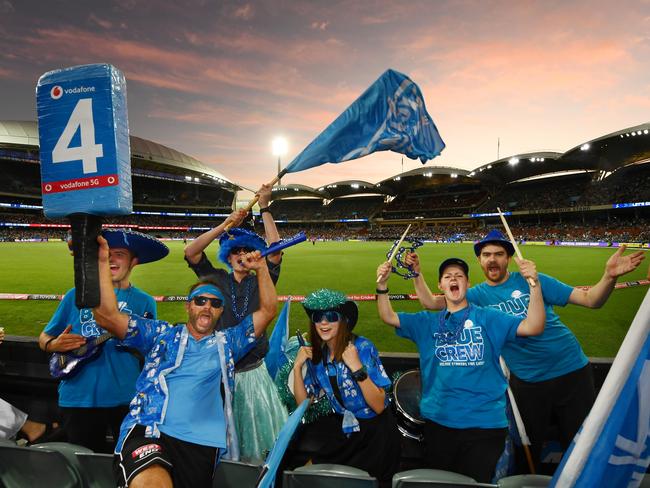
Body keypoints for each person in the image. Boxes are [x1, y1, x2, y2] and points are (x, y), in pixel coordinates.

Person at [407, 229, 645, 470]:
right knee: (527, 450)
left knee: (582, 444)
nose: (492, 259)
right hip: (528, 382)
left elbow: (592, 300)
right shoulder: (476, 296)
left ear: (508, 258)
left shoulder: (533, 280)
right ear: (479, 260)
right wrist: (416, 274)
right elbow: (431, 303)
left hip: (572, 371)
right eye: (486, 254)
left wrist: (609, 276)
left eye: (499, 253)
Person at [92, 235, 277, 488]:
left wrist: (263, 268)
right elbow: (106, 316)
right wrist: (101, 263)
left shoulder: (229, 343)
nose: (207, 307)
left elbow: (267, 311)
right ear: (188, 307)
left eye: (215, 303)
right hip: (151, 428)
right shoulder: (161, 335)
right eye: (200, 300)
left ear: (221, 311)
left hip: (203, 442)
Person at [376, 256, 545, 483]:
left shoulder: (488, 317)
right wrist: (382, 286)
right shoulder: (427, 322)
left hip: (484, 425)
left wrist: (534, 284)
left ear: (467, 284)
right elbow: (388, 316)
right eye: (448, 277)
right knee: (442, 484)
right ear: (441, 286)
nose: (453, 279)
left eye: (459, 276)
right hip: (439, 423)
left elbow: (534, 326)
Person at [38, 229, 168, 453]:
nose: (111, 258)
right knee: (83, 466)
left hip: (126, 397)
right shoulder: (75, 295)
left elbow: (149, 352)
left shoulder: (145, 302)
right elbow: (45, 336)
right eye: (107, 253)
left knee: (126, 462)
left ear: (134, 261)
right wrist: (53, 344)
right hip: (78, 398)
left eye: (119, 253)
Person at [183, 182, 287, 462]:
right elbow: (191, 253)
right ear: (227, 257)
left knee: (257, 446)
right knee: (218, 444)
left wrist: (265, 206)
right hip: (217, 373)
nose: (241, 256)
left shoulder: (264, 279)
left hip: (253, 374)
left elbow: (276, 251)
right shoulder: (215, 279)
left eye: (246, 250)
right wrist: (225, 225)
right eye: (235, 251)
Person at [292, 289, 401, 487]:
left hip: (376, 435)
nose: (324, 323)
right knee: (307, 474)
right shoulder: (317, 357)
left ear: (344, 321)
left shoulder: (362, 347)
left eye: (331, 317)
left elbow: (379, 406)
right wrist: (297, 367)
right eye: (318, 317)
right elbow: (303, 404)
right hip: (346, 430)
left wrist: (357, 368)